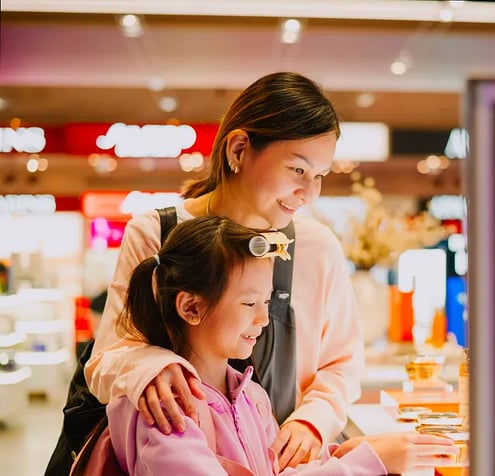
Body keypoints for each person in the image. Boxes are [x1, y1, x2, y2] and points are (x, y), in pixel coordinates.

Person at [85, 71, 363, 469]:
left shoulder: (317, 246)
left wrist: (313, 423)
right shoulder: (157, 232)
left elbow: (342, 363)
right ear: (238, 150)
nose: (310, 193)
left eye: (319, 176)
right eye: (297, 170)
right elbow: (109, 356)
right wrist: (149, 366)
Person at [77, 216, 456, 475]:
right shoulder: (167, 409)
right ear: (191, 306)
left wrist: (346, 452)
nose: (262, 319)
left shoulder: (250, 394)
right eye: (248, 304)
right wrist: (367, 462)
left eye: (266, 303)